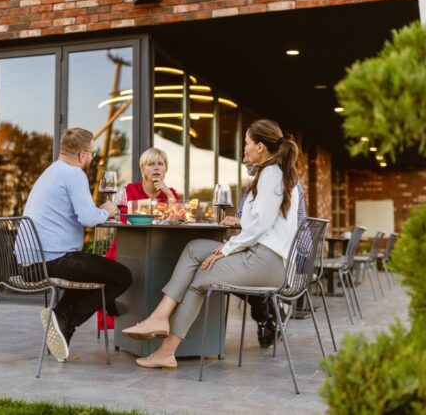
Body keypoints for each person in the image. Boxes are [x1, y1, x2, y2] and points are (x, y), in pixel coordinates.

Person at [122, 119, 300, 369]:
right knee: (195, 248)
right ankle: (160, 318)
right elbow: (262, 221)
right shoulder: (270, 173)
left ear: (260, 146)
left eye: (247, 143)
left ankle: (166, 350)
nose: (244, 149)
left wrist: (227, 248)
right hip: (262, 255)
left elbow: (260, 226)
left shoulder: (271, 174)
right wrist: (235, 232)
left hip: (267, 262)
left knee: (201, 276)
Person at [23, 127, 133, 362]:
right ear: (83, 155)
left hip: (28, 262)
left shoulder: (51, 172)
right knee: (122, 276)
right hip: (52, 260)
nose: (92, 158)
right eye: (92, 153)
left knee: (90, 270)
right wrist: (106, 210)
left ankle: (62, 325)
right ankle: (63, 320)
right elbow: (89, 218)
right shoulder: (74, 175)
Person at [221, 155, 307, 348]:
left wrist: (236, 236)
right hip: (268, 250)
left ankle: (265, 313)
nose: (244, 160)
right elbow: (246, 219)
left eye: (247, 154)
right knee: (232, 264)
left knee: (229, 267)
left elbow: (265, 226)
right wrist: (237, 222)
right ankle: (268, 314)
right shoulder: (253, 187)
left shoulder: (287, 184)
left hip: (290, 254)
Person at [96, 147, 179, 331]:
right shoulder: (129, 190)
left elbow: (178, 218)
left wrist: (169, 194)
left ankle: (153, 323)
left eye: (160, 164)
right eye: (151, 164)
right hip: (127, 249)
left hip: (159, 251)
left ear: (166, 169)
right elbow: (116, 214)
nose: (156, 168)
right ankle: (120, 326)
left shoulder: (171, 194)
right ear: (143, 170)